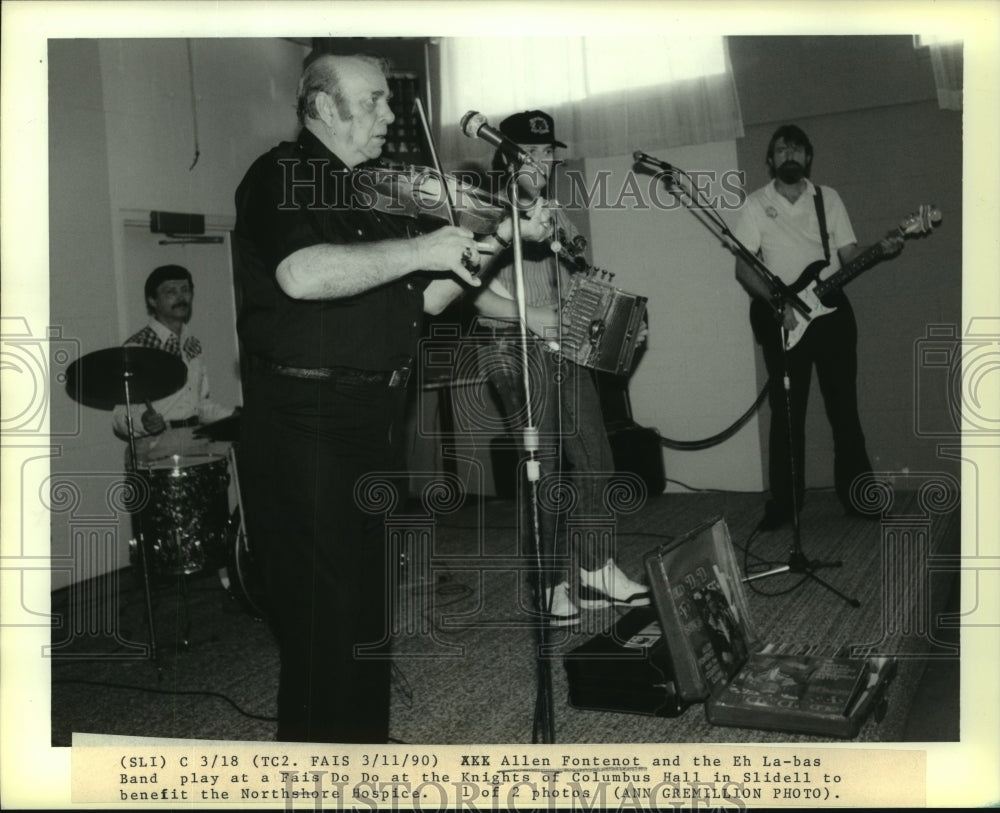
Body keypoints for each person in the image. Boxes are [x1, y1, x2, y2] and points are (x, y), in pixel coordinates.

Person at [231, 54, 549, 743]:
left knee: (367, 613)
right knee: (325, 620)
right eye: (373, 101)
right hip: (303, 421)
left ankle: (363, 753)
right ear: (321, 107)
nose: (389, 114)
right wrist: (418, 249)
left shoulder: (361, 196)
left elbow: (427, 298)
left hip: (369, 419)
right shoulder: (280, 175)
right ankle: (320, 770)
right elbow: (301, 273)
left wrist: (499, 239)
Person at [469, 110, 650, 626]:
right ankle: (546, 583)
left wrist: (618, 324)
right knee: (544, 469)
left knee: (596, 457)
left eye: (551, 153)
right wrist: (539, 316)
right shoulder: (486, 212)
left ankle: (595, 569)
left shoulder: (555, 213)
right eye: (537, 153)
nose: (548, 161)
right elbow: (477, 295)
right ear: (509, 155)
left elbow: (577, 288)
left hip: (563, 346)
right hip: (512, 346)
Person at [732, 124, 904, 530]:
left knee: (844, 408)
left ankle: (859, 497)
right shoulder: (756, 204)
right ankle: (786, 504)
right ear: (770, 161)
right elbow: (743, 267)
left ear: (808, 157)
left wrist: (882, 250)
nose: (788, 154)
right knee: (787, 413)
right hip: (783, 318)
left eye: (795, 149)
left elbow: (848, 256)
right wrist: (778, 305)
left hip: (832, 318)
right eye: (780, 150)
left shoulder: (829, 199)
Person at [112, 264, 234, 463]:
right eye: (171, 292)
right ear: (152, 301)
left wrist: (235, 415)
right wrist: (143, 422)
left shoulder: (192, 344)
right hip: (155, 448)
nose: (180, 297)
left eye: (185, 290)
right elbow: (119, 417)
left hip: (195, 441)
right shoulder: (137, 347)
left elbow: (200, 405)